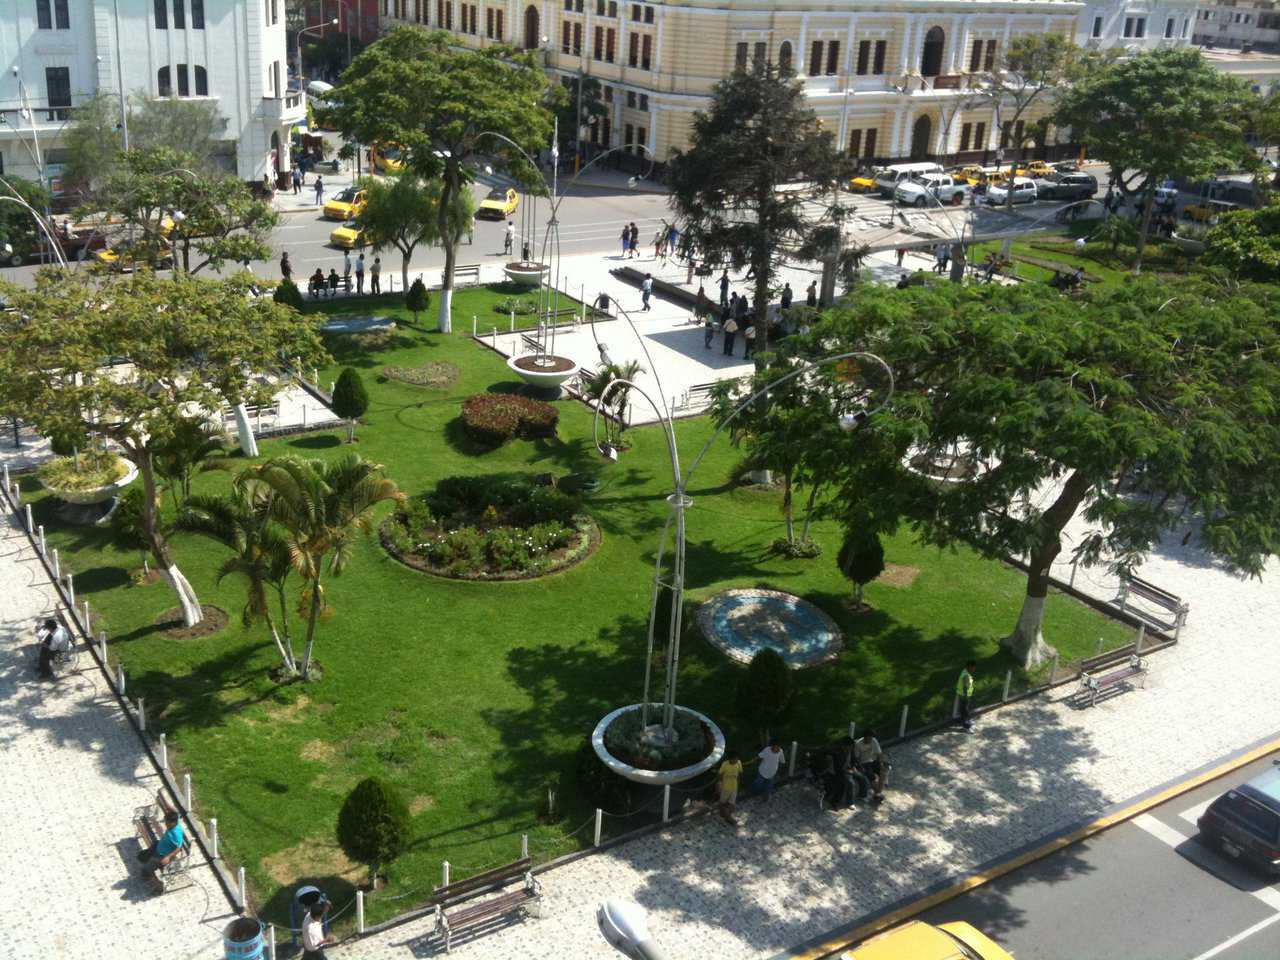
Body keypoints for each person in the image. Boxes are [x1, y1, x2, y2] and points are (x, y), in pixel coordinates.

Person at [139, 810, 185, 894]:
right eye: (165, 822)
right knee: (141, 856)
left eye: (167, 823)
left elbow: (179, 847)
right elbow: (173, 810)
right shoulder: (174, 824)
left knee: (149, 868)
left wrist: (168, 857)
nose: (166, 824)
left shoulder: (176, 834)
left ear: (173, 822)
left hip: (162, 855)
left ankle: (159, 887)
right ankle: (146, 872)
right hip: (158, 847)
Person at [852, 729, 886, 802]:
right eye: (869, 738)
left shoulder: (874, 740)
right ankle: (878, 794)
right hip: (864, 763)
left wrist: (881, 764)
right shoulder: (858, 744)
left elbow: (879, 754)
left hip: (872, 760)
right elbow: (857, 758)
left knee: (883, 771)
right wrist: (860, 767)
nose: (870, 740)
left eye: (871, 738)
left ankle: (878, 793)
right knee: (871, 776)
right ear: (864, 737)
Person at [716, 751, 743, 825]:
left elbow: (740, 773)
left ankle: (729, 817)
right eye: (734, 759)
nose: (736, 760)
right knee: (722, 802)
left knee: (732, 804)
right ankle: (722, 813)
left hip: (734, 787)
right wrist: (719, 784)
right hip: (725, 788)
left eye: (737, 759)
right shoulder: (725, 764)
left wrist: (739, 784)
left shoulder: (739, 763)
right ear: (730, 759)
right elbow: (720, 774)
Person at [957, 660, 976, 732]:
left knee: (965, 710)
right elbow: (965, 687)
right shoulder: (966, 675)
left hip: (964, 695)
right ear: (970, 667)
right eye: (973, 667)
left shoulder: (965, 672)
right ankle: (966, 727)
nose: (974, 669)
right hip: (964, 696)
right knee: (964, 711)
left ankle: (968, 721)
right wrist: (966, 697)